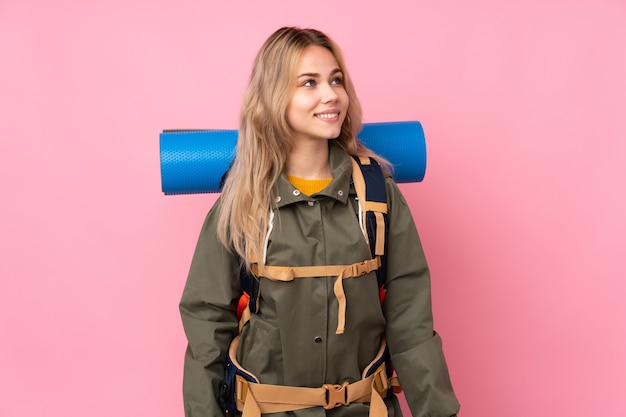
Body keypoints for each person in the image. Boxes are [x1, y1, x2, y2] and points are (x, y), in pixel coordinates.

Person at [179, 26, 460, 417]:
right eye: (309, 83)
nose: (331, 95)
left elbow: (411, 323)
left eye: (336, 80)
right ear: (274, 96)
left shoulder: (377, 196)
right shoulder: (243, 202)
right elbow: (207, 322)